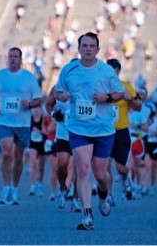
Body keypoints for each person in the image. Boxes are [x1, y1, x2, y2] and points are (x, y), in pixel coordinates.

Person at [54, 32, 125, 230]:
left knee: (101, 174)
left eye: (91, 46)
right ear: (78, 48)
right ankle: (87, 215)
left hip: (103, 129)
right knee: (83, 169)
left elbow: (121, 93)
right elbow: (57, 91)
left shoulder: (106, 71)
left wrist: (107, 98)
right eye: (84, 46)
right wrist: (61, 95)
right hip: (78, 128)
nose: (88, 49)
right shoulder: (69, 69)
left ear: (97, 49)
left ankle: (103, 194)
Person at [0, 47, 42, 205]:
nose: (12, 59)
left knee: (18, 157)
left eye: (15, 56)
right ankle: (5, 188)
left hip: (22, 122)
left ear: (21, 59)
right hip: (3, 120)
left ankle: (14, 188)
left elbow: (38, 99)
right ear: (7, 58)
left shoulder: (29, 77)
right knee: (6, 152)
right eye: (10, 56)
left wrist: (29, 104)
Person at [106, 58, 141, 202]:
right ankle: (109, 195)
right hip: (105, 132)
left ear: (118, 71)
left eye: (114, 71)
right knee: (105, 165)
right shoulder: (101, 86)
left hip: (121, 132)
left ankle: (126, 177)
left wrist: (130, 98)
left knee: (120, 168)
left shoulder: (126, 86)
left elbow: (138, 106)